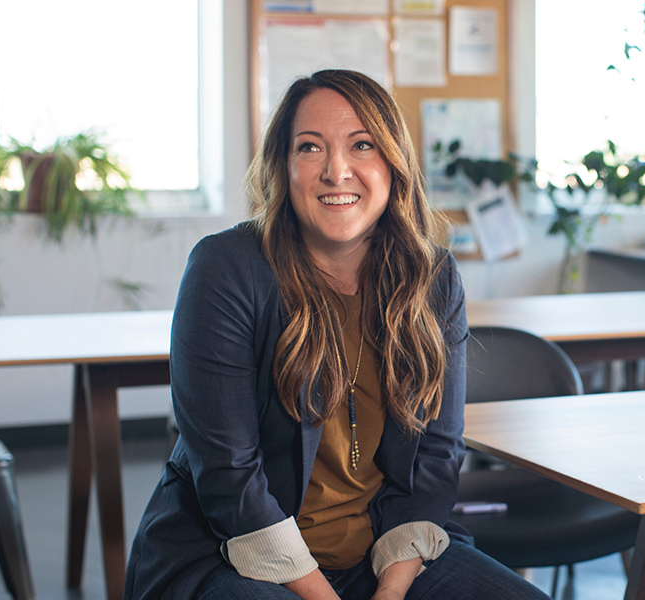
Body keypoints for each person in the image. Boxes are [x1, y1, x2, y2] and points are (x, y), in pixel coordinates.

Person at [123, 70, 550, 600]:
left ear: (393, 165)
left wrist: (391, 592)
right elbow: (228, 478)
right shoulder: (225, 268)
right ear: (284, 166)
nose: (336, 170)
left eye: (362, 145)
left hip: (385, 554)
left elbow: (435, 459)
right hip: (232, 555)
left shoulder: (432, 278)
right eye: (310, 147)